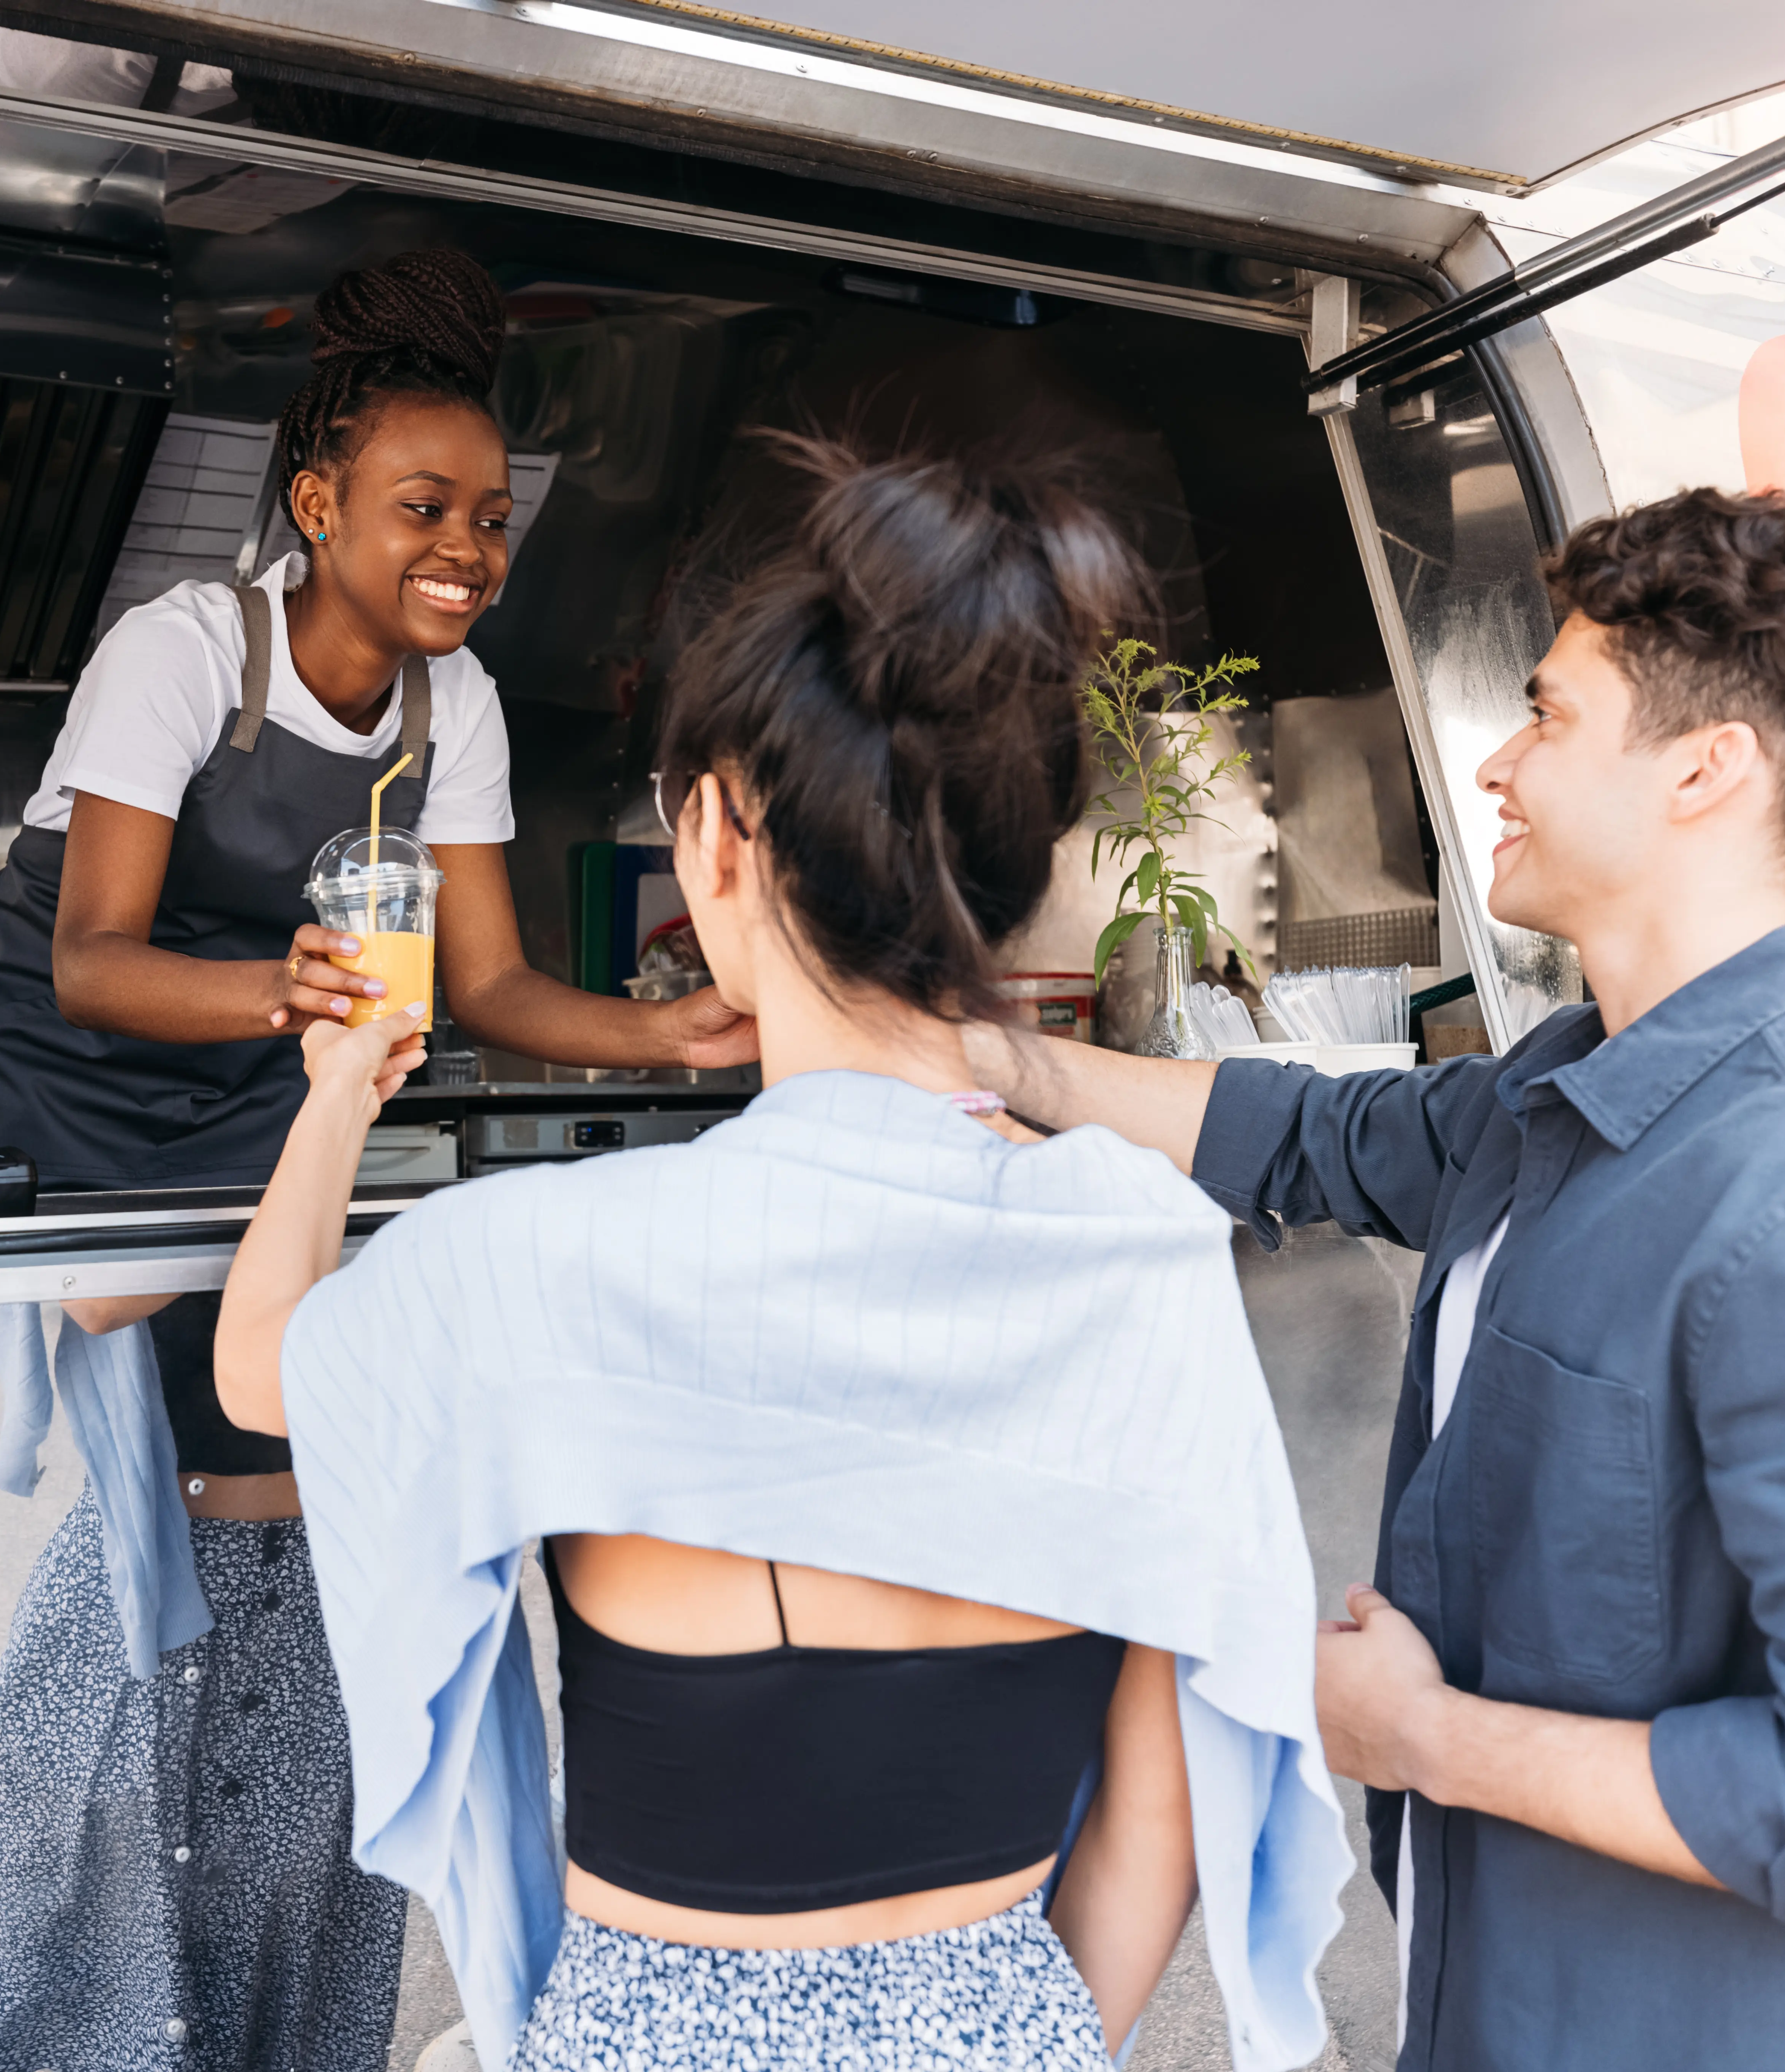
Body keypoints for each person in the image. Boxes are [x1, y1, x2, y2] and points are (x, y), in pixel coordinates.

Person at [211, 442, 1348, 2070]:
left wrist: (334, 1098)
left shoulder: (536, 1259)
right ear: (1015, 867)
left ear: (715, 843)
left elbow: (263, 1369)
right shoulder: (1138, 1257)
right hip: (1002, 2031)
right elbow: (1160, 1810)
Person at [0, 250, 750, 2072]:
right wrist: (282, 1005)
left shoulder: (460, 710)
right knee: (187, 1379)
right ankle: (100, 1903)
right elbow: (92, 953)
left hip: (269, 1057)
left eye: (492, 518)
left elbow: (501, 981)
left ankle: (224, 1875)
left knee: (279, 1420)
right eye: (422, 507)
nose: (466, 548)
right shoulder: (188, 648)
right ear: (315, 507)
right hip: (70, 1048)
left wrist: (672, 1030)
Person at [960, 486, 1785, 2067]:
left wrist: (1419, 1737)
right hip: (1485, 1994)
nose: (1496, 765)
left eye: (1548, 718)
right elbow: (1300, 1130)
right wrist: (974, 1052)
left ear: (1705, 769)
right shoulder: (1574, 1088)